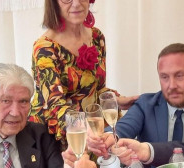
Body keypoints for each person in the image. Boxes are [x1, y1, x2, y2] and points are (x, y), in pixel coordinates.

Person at [28, 0, 138, 148]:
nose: (76, 4)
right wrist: (84, 127)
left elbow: (96, 89)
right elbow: (54, 104)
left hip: (89, 128)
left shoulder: (97, 37)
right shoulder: (45, 48)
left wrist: (116, 99)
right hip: (53, 137)